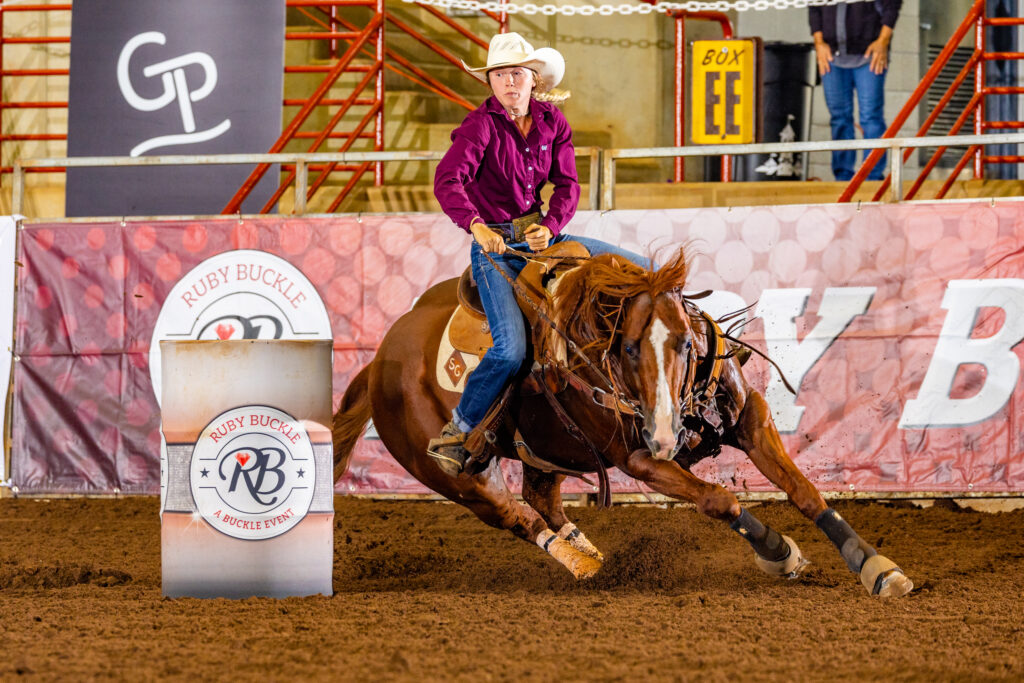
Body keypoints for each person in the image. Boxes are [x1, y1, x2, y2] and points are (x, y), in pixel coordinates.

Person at [429, 32, 647, 476]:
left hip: (542, 237)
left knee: (647, 270)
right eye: (499, 75)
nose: (508, 82)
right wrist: (477, 226)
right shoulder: (480, 125)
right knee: (509, 350)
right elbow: (448, 180)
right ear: (490, 82)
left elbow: (568, 185)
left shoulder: (554, 122)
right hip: (497, 248)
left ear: (534, 80)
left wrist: (550, 226)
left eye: (516, 73)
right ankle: (459, 427)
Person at [809, 0, 902, 181]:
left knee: (871, 117)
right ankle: (843, 176)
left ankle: (873, 177)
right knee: (839, 118)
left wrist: (882, 41)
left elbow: (892, 5)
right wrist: (818, 43)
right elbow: (813, 7)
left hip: (868, 54)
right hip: (832, 55)